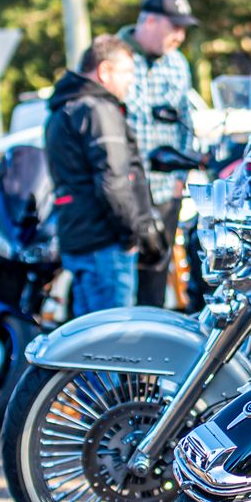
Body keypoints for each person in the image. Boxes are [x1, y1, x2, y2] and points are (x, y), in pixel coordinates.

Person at [45, 35, 167, 314]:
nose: (130, 82)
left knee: (88, 343)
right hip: (105, 244)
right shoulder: (98, 110)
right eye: (126, 72)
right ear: (104, 71)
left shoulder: (62, 109)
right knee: (112, 345)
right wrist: (131, 234)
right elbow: (113, 180)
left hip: (79, 238)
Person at [119, 0, 198, 307]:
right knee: (123, 275)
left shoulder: (178, 64)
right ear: (149, 21)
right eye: (174, 27)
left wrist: (181, 176)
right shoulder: (114, 58)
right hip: (124, 191)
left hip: (166, 190)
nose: (180, 36)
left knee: (156, 272)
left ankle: (146, 347)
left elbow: (186, 123)